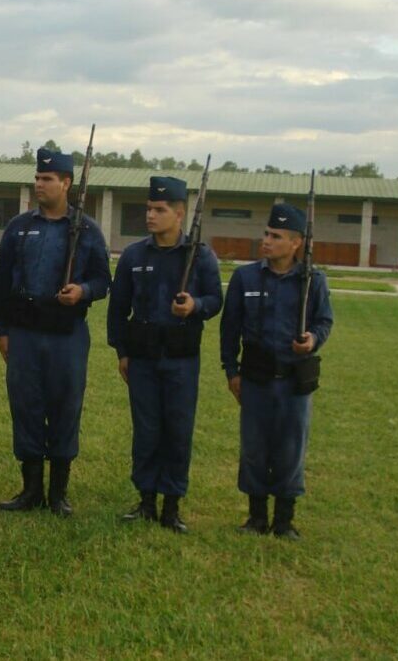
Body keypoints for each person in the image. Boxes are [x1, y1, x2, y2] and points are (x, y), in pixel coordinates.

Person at [0, 147, 111, 517]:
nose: (39, 184)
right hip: (25, 332)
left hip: (66, 334)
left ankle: (58, 492)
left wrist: (83, 291)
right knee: (25, 407)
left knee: (64, 407)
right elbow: (2, 283)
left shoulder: (87, 231)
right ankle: (30, 489)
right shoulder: (19, 227)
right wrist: (2, 330)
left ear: (66, 183)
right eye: (37, 178)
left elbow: (103, 280)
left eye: (47, 179)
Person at [107, 176, 222, 533]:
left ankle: (171, 504)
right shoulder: (133, 255)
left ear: (179, 213)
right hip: (142, 357)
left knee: (177, 431)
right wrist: (122, 351)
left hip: (180, 359)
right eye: (148, 209)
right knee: (146, 430)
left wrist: (196, 305)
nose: (151, 216)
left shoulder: (200, 256)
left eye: (159, 210)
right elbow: (118, 309)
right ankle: (145, 499)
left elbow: (216, 300)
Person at [220, 203, 333, 540]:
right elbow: (230, 329)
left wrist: (311, 340)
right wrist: (231, 371)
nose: (266, 241)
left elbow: (324, 321)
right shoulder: (246, 277)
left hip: (294, 380)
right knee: (254, 448)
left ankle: (284, 520)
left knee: (290, 449)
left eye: (276, 236)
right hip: (255, 377)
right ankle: (256, 517)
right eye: (266, 234)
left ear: (296, 243)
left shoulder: (313, 281)